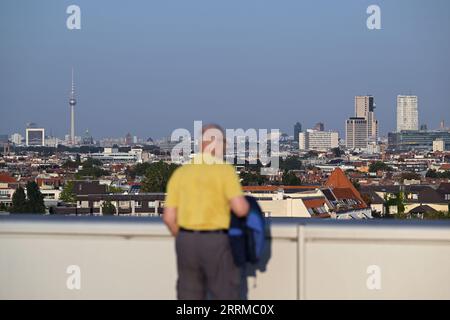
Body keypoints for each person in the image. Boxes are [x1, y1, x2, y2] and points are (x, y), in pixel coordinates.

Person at [163, 124, 249, 300]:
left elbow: (169, 217)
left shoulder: (181, 173)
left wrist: (183, 236)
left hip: (186, 241)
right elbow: (240, 209)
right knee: (225, 295)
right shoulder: (224, 171)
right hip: (216, 241)